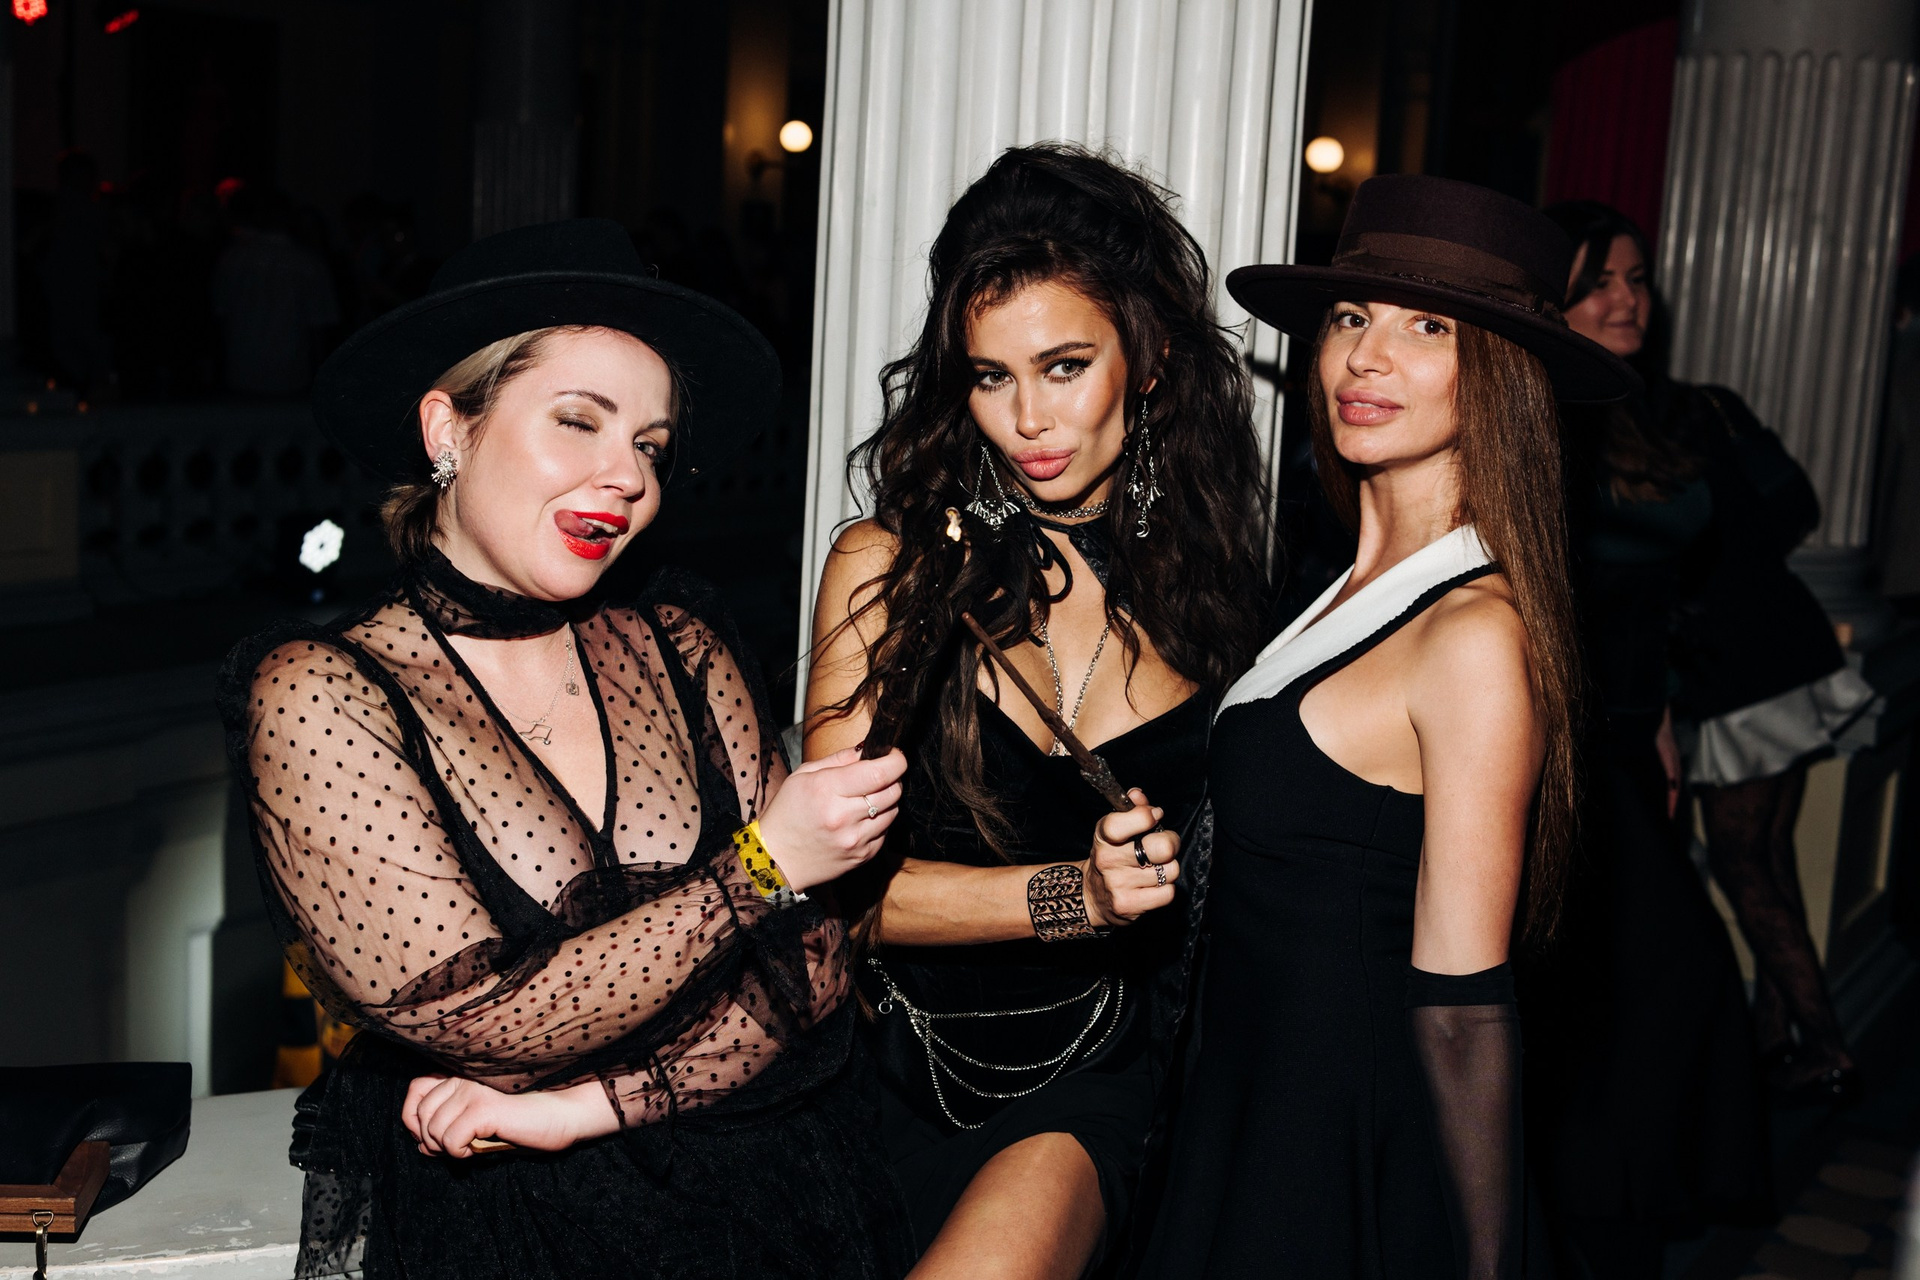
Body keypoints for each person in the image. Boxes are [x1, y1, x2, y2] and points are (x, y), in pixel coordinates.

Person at [218, 219, 914, 1280]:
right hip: (508, 1230)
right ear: (448, 428)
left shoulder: (680, 644)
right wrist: (759, 868)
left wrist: (585, 1108)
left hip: (773, 1195)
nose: (627, 477)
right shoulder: (326, 692)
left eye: (651, 446)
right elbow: (486, 1019)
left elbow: (811, 969)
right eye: (579, 421)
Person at [1136, 174, 1632, 1279]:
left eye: (1426, 328)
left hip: (1332, 1143)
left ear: (1499, 374)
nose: (1366, 356)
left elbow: (1463, 1007)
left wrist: (1486, 1261)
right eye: (1352, 316)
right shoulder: (1340, 589)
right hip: (1247, 1100)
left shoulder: (1473, 635)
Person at [804, 144, 1271, 1278]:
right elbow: (840, 895)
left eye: (1064, 366)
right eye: (990, 376)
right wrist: (1080, 894)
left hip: (1097, 1074)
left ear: (1148, 359)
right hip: (885, 1068)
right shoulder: (888, 569)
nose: (1027, 419)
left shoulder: (1215, 603)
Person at [1524, 198, 1775, 1279]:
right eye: (1600, 282)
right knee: (1652, 978)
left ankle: (1610, 1210)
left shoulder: (1641, 408)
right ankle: (1588, 1211)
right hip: (1561, 750)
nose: (1627, 298)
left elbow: (1653, 593)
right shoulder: (1534, 411)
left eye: (1636, 278)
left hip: (1630, 738)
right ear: (1553, 299)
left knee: (1642, 989)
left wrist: (1664, 714)